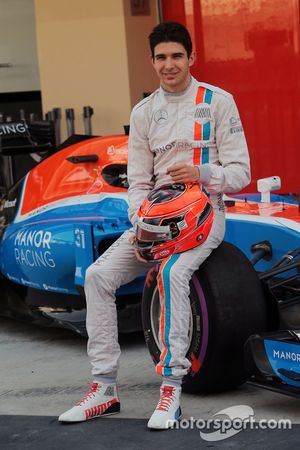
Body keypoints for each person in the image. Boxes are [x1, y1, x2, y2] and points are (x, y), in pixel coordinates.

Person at [58, 21, 250, 429]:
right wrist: (142, 222)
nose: (169, 64)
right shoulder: (144, 112)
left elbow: (241, 173)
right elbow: (139, 184)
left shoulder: (218, 101)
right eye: (161, 57)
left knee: (173, 272)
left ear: (191, 57)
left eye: (176, 56)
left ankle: (171, 389)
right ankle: (104, 388)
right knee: (97, 276)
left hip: (204, 217)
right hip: (154, 221)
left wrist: (201, 172)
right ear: (152, 62)